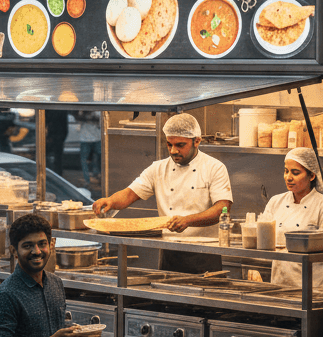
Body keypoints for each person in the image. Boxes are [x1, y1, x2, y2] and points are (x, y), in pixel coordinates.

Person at [92, 113, 233, 274]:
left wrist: (187, 220)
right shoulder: (158, 168)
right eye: (169, 144)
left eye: (180, 145)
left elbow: (222, 209)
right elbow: (130, 194)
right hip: (169, 252)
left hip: (206, 253)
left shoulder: (214, 168)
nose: (173, 151)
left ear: (197, 141)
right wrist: (110, 201)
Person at [263, 148, 323, 289]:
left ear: (312, 176)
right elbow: (262, 239)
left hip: (312, 286)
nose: (288, 177)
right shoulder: (276, 201)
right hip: (279, 283)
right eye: (286, 171)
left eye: (295, 173)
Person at [76, 110, 102, 189]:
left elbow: (100, 121)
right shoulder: (83, 110)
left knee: (98, 158)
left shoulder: (98, 110)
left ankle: (96, 176)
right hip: (88, 138)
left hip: (95, 138)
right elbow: (78, 119)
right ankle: (88, 179)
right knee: (88, 160)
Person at [45, 109, 69, 175]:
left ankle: (47, 170)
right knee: (58, 157)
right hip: (59, 136)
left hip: (51, 134)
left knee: (45, 154)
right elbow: (65, 125)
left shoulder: (49, 109)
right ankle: (58, 173)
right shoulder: (62, 110)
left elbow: (46, 121)